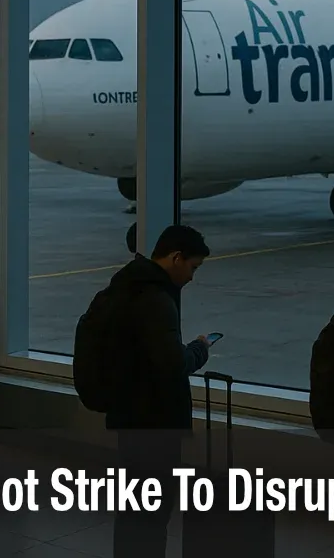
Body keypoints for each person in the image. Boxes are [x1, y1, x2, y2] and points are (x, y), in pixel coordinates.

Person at [104, 225, 214, 558]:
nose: (192, 277)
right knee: (153, 514)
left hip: (128, 415)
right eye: (192, 267)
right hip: (155, 421)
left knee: (131, 511)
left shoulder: (124, 286)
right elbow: (170, 363)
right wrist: (197, 351)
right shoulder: (157, 299)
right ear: (176, 258)